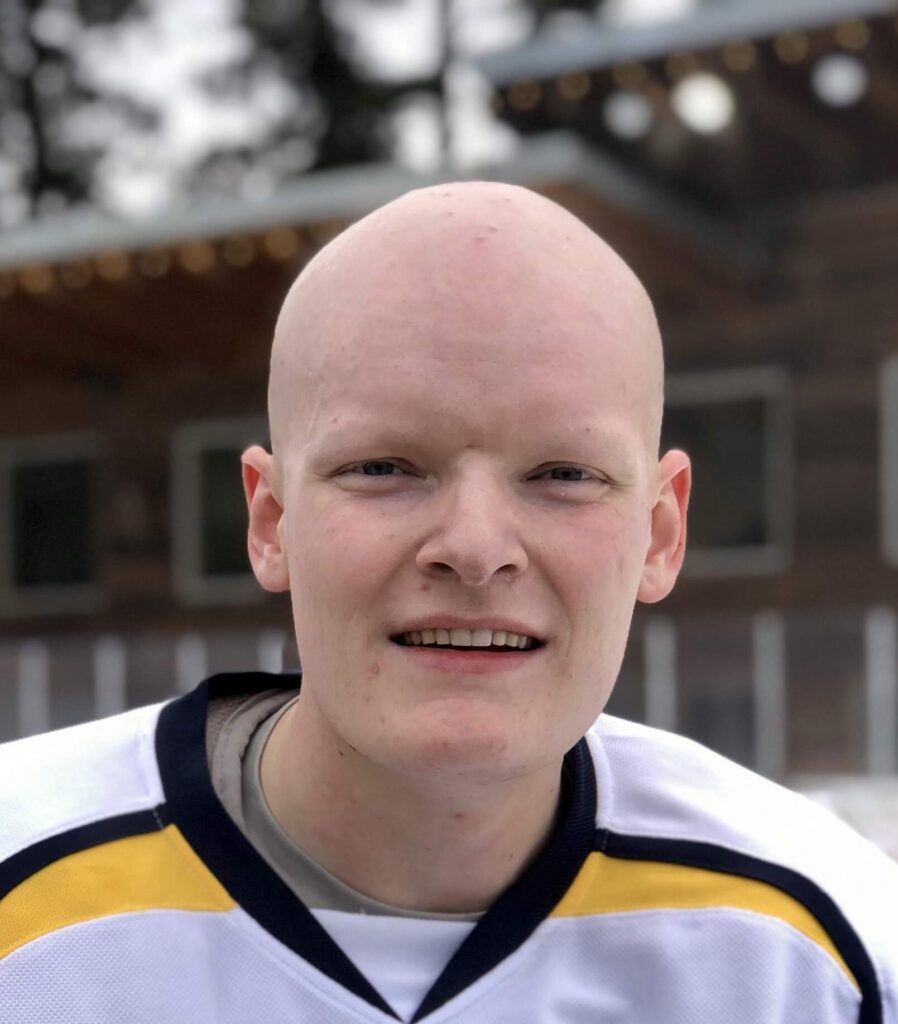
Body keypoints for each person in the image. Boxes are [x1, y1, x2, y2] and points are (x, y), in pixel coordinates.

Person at [0, 183, 896, 1024]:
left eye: (564, 474)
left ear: (660, 533)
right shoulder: (23, 899)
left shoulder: (827, 951)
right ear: (271, 521)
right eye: (383, 468)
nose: (474, 549)